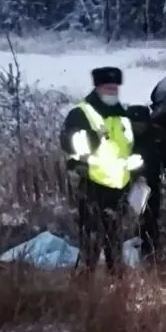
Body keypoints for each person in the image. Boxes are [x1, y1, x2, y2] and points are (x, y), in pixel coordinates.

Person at [60, 66, 140, 272]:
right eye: (108, 88)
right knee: (91, 244)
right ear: (97, 88)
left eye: (115, 88)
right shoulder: (82, 113)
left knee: (115, 243)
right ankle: (85, 291)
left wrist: (136, 172)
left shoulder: (122, 116)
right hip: (93, 186)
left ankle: (116, 289)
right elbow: (70, 145)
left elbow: (128, 147)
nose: (112, 92)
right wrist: (94, 138)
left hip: (120, 187)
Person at [126, 104, 166, 261]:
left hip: (151, 185)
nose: (138, 128)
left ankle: (149, 252)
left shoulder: (157, 135)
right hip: (126, 185)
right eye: (135, 124)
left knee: (151, 219)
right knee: (126, 218)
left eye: (141, 124)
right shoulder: (123, 136)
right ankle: (127, 251)